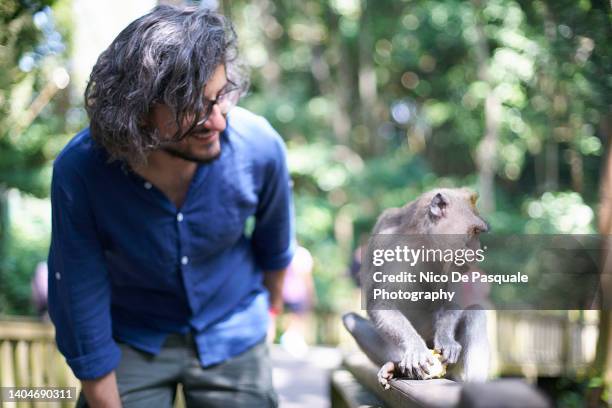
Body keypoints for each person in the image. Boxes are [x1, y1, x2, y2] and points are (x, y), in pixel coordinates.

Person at [47, 5, 294, 408]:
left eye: (220, 99)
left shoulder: (260, 146)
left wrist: (265, 323)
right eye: (197, 112)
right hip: (131, 335)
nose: (218, 123)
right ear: (138, 113)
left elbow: (276, 249)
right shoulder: (81, 170)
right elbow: (78, 291)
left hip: (232, 328)